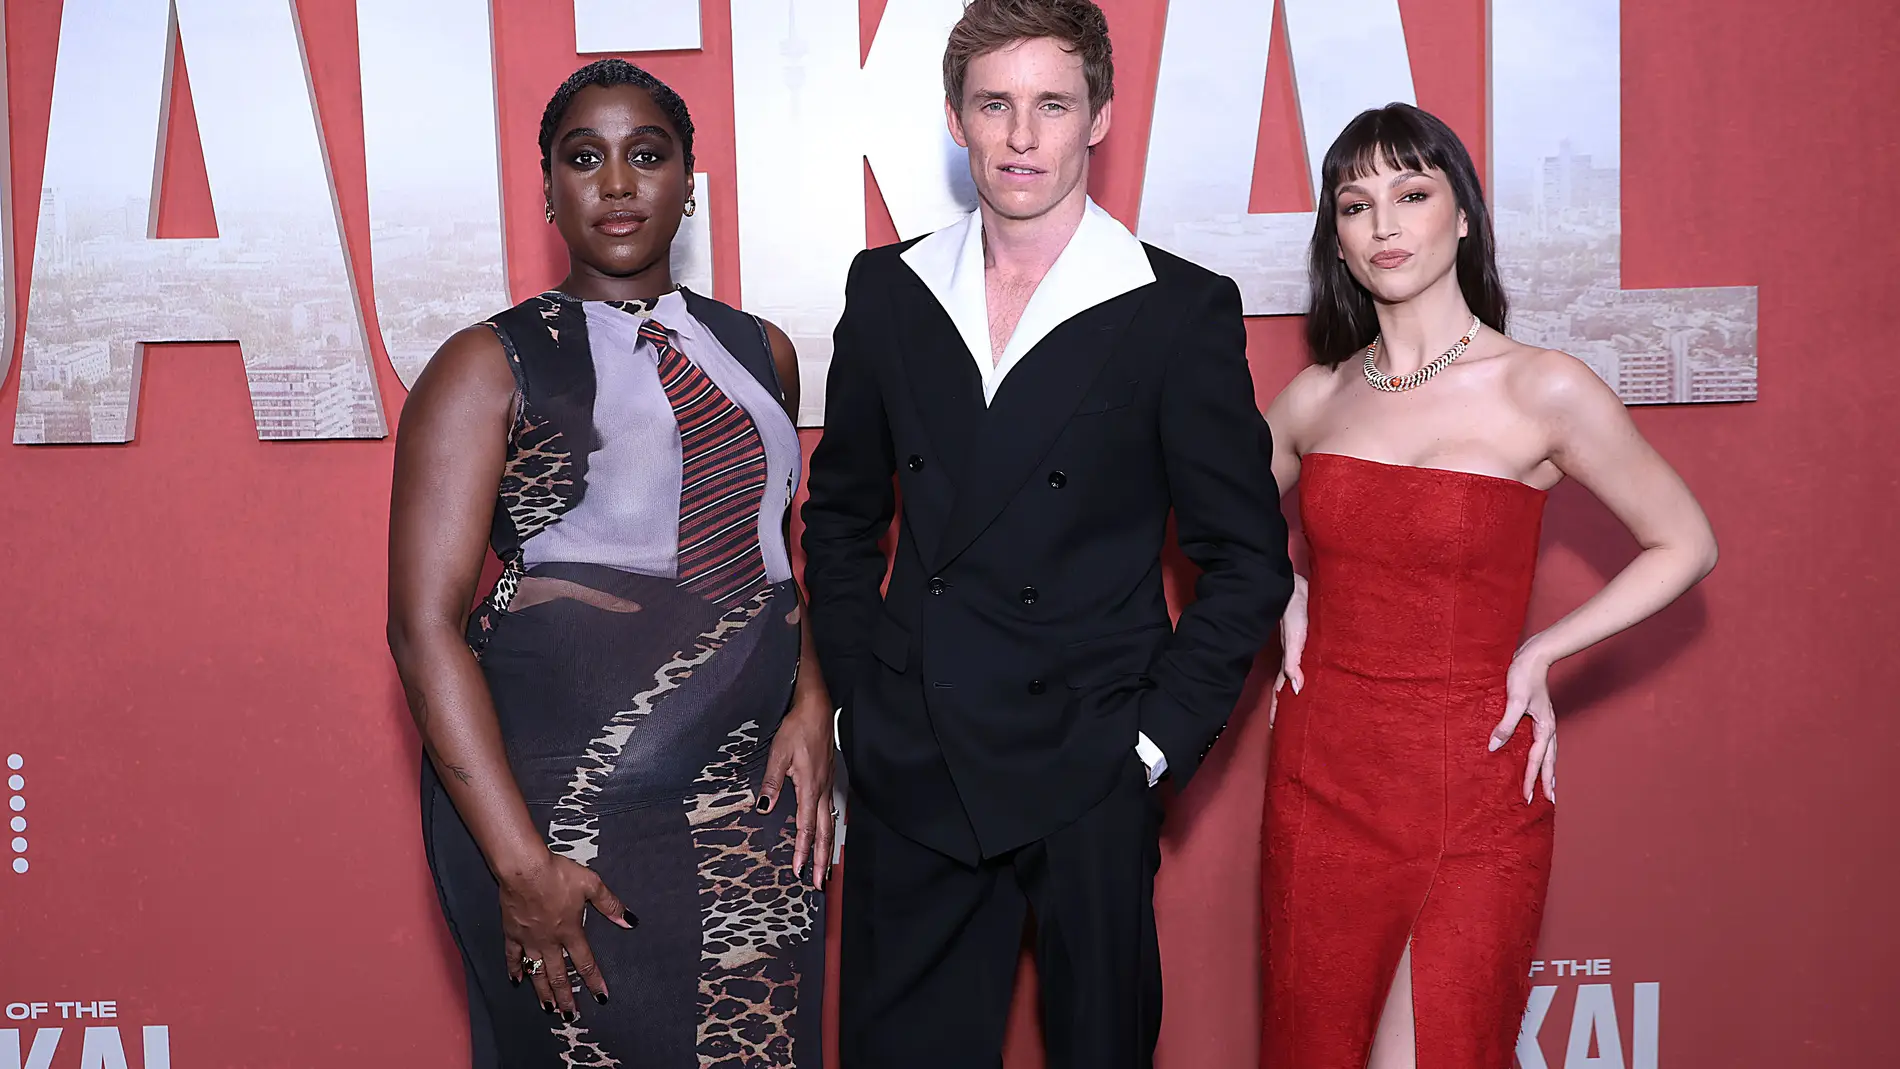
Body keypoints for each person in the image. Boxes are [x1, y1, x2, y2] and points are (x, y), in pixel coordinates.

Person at [801, 2, 1294, 1066]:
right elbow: (839, 514)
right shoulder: (889, 291)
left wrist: (1147, 747)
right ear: (955, 119)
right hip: (912, 754)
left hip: (1088, 763)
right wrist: (859, 708)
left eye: (1051, 105)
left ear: (1099, 117)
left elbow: (1247, 559)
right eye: (995, 104)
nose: (1022, 137)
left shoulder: (1175, 310)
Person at [385, 59, 834, 1069]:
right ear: (547, 189)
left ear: (688, 184)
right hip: (556, 820)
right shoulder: (488, 360)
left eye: (648, 155)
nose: (618, 183)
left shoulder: (760, 349)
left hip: (743, 810)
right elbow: (420, 628)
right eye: (584, 159)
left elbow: (774, 556)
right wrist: (517, 862)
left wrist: (812, 703)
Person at [1259, 102, 1719, 1069]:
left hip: (1473, 776)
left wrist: (1546, 650)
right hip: (1321, 773)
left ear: (1462, 215)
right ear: (1336, 241)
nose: (1384, 225)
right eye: (1356, 204)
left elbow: (1683, 539)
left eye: (1412, 195)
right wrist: (1283, 584)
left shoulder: (1542, 388)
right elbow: (1212, 525)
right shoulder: (1315, 398)